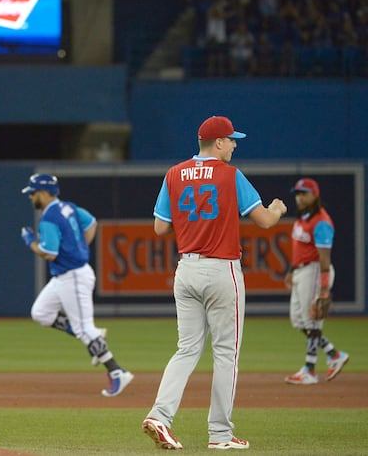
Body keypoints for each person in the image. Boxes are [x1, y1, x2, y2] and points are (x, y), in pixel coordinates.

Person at [143, 115, 288, 450]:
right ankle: (220, 435)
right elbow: (264, 221)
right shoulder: (230, 175)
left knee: (186, 349)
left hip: (187, 270)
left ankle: (160, 416)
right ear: (218, 142)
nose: (235, 145)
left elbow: (160, 228)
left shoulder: (174, 174)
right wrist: (277, 210)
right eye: (232, 140)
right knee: (226, 354)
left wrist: (191, 223)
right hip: (221, 270)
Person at [20, 173, 134, 397]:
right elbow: (91, 222)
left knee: (84, 328)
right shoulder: (68, 207)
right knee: (41, 312)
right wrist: (79, 247)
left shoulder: (49, 218)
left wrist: (30, 243)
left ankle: (117, 371)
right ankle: (95, 337)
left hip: (72, 276)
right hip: (67, 275)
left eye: (32, 193)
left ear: (43, 193)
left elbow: (49, 253)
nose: (31, 197)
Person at [283, 177, 349, 385]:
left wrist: (323, 288)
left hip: (314, 271)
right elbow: (300, 249)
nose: (299, 198)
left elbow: (324, 258)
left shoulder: (321, 222)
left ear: (314, 195)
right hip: (301, 271)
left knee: (311, 320)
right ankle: (334, 354)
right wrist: (293, 270)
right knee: (299, 320)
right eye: (297, 194)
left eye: (304, 193)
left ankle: (310, 370)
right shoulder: (304, 218)